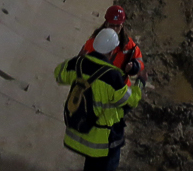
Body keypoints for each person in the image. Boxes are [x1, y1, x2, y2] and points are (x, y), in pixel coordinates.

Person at [54, 28, 142, 171]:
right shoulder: (112, 77)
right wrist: (140, 84)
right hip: (101, 141)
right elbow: (131, 101)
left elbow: (58, 74)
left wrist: (77, 58)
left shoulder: (79, 64)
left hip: (78, 133)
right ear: (112, 50)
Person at [82, 5, 145, 80]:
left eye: (117, 26)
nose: (115, 29)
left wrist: (134, 66)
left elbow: (140, 62)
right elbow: (80, 62)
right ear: (106, 24)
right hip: (96, 82)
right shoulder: (94, 42)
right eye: (112, 25)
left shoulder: (128, 45)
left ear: (122, 26)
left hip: (118, 84)